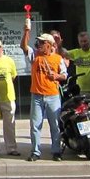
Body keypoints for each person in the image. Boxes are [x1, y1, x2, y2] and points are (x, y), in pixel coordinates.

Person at [28, 33, 67, 161]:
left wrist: (56, 76)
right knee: (35, 124)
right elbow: (24, 46)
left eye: (42, 42)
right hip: (37, 95)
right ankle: (35, 151)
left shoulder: (58, 58)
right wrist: (27, 31)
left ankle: (56, 151)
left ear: (49, 45)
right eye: (39, 42)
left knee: (55, 124)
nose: (39, 44)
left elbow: (64, 75)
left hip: (53, 95)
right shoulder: (35, 56)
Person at [65, 30, 90, 140]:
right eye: (81, 41)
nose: (84, 43)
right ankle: (86, 140)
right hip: (82, 91)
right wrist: (59, 45)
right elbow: (63, 54)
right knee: (83, 116)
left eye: (85, 41)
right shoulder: (76, 52)